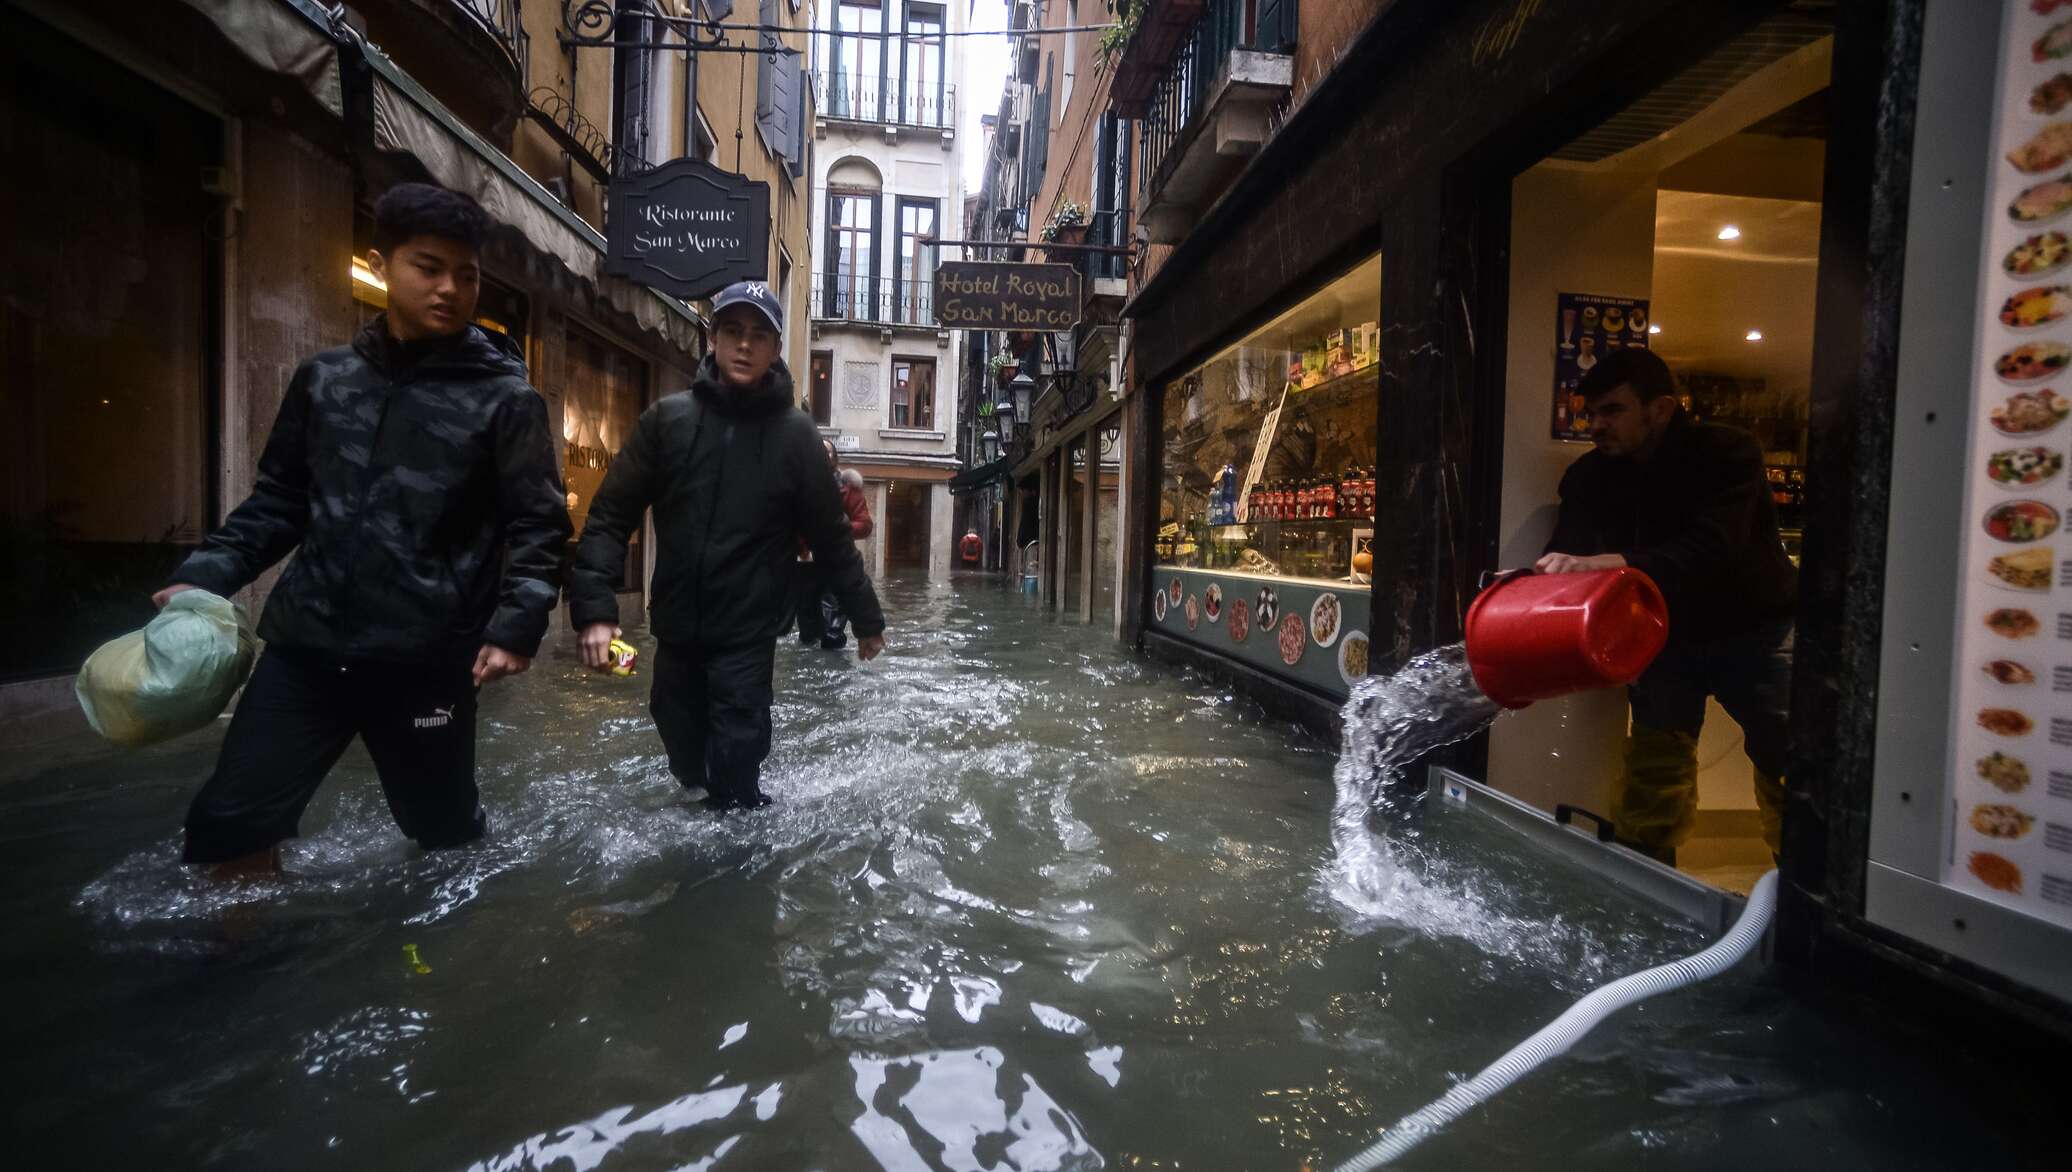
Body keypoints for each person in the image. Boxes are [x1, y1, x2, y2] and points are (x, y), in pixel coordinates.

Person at [157, 183, 572, 875]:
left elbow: (538, 525)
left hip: (426, 658)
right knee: (229, 821)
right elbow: (280, 501)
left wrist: (516, 627)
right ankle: (234, 969)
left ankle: (438, 961)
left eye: (466, 276)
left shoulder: (506, 401)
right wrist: (202, 577)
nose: (449, 289)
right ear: (383, 264)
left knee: (441, 830)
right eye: (429, 268)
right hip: (305, 647)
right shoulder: (325, 380)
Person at [569, 280, 886, 812]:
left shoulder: (797, 438)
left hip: (748, 635)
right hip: (676, 626)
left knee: (738, 771)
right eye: (734, 332)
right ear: (712, 339)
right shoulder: (667, 422)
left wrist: (867, 621)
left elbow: (833, 540)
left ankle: (737, 850)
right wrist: (596, 611)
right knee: (684, 754)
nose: (745, 345)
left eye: (759, 335)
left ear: (775, 349)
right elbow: (607, 516)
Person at [1535, 347, 1797, 864]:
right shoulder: (1591, 475)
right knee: (1655, 771)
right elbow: (1566, 552)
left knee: (1791, 763)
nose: (1597, 425)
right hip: (1661, 635)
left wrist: (1610, 563)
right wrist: (1527, 584)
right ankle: (1647, 896)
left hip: (1756, 628)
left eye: (1612, 411)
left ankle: (1808, 904)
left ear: (1661, 409)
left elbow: (1713, 551)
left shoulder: (1726, 454)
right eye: (1592, 413)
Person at [797, 440, 874, 649]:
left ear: (835, 458)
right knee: (806, 627)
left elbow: (865, 524)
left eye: (829, 452)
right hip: (805, 565)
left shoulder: (849, 490)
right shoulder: (799, 486)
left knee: (833, 628)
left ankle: (833, 667)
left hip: (836, 561)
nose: (825, 456)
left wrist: (838, 529)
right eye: (820, 452)